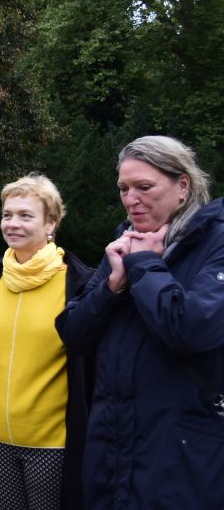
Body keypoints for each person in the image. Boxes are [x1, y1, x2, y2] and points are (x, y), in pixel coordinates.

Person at [56, 136, 224, 509]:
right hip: (113, 448)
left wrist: (146, 265)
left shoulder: (217, 241)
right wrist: (112, 287)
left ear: (183, 185)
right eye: (123, 188)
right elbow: (72, 333)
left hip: (182, 454)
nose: (131, 199)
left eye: (144, 187)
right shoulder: (125, 242)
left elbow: (191, 329)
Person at [0, 174, 92, 510]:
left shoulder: (78, 283)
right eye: (7, 214)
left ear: (51, 223)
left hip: (52, 443)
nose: (12, 223)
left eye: (26, 215)